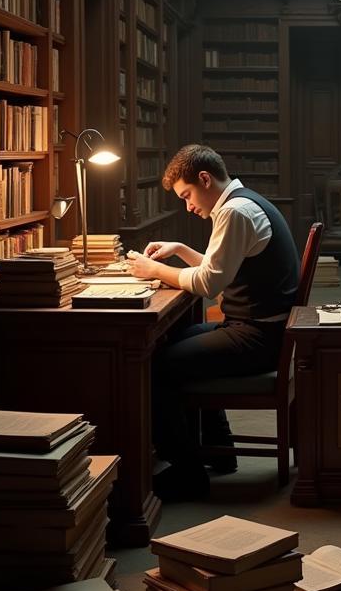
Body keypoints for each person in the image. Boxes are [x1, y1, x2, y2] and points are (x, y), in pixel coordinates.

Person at [126, 145, 299, 498]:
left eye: (187, 195)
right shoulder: (244, 202)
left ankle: (188, 473)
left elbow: (208, 283)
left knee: (157, 367)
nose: (188, 206)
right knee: (176, 339)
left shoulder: (234, 212)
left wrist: (155, 270)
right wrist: (178, 249)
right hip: (260, 326)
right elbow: (220, 267)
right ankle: (217, 448)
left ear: (205, 179)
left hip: (261, 337)